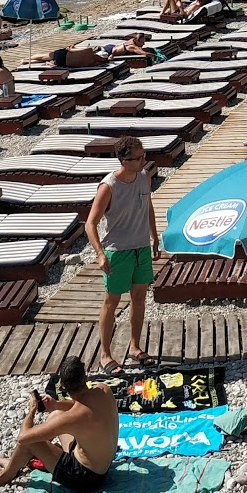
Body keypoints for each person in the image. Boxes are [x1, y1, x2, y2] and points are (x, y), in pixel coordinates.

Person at [0, 356, 118, 492]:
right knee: (55, 414)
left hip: (85, 479)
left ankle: (4, 476)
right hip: (101, 466)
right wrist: (56, 405)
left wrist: (32, 411)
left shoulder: (72, 418)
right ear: (85, 377)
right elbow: (82, 405)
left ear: (61, 384)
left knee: (31, 442)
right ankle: (18, 460)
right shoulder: (103, 389)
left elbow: (23, 437)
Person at [86, 136, 161, 373]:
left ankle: (135, 347)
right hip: (117, 251)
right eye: (139, 158)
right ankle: (105, 354)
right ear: (124, 160)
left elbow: (148, 206)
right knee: (112, 301)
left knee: (139, 298)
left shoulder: (143, 178)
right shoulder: (108, 187)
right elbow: (90, 224)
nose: (143, 161)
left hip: (141, 248)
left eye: (144, 155)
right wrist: (99, 254)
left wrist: (154, 237)